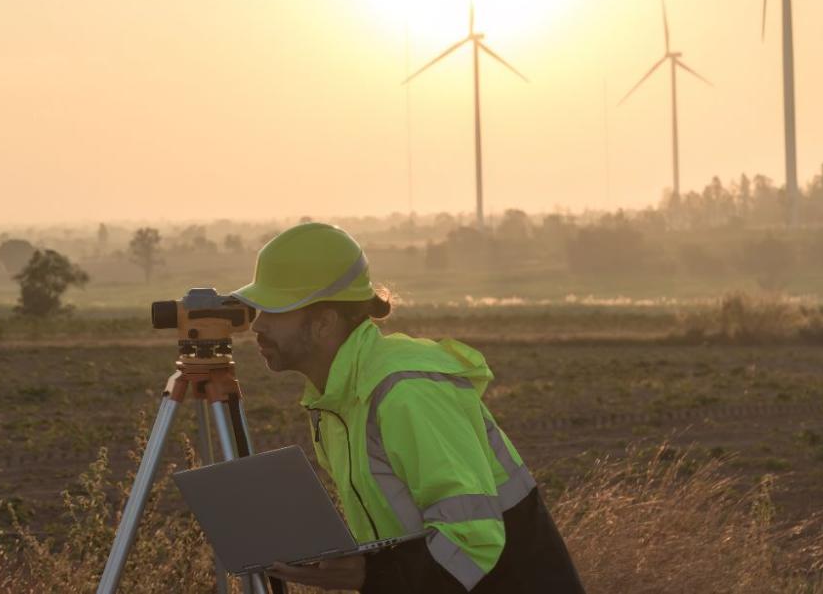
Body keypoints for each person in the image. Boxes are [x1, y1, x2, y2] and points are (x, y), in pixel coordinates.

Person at [229, 222, 584, 594]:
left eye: (273, 311)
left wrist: (371, 574)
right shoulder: (338, 399)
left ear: (323, 323)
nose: (257, 325)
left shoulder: (404, 391)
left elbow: (472, 538)